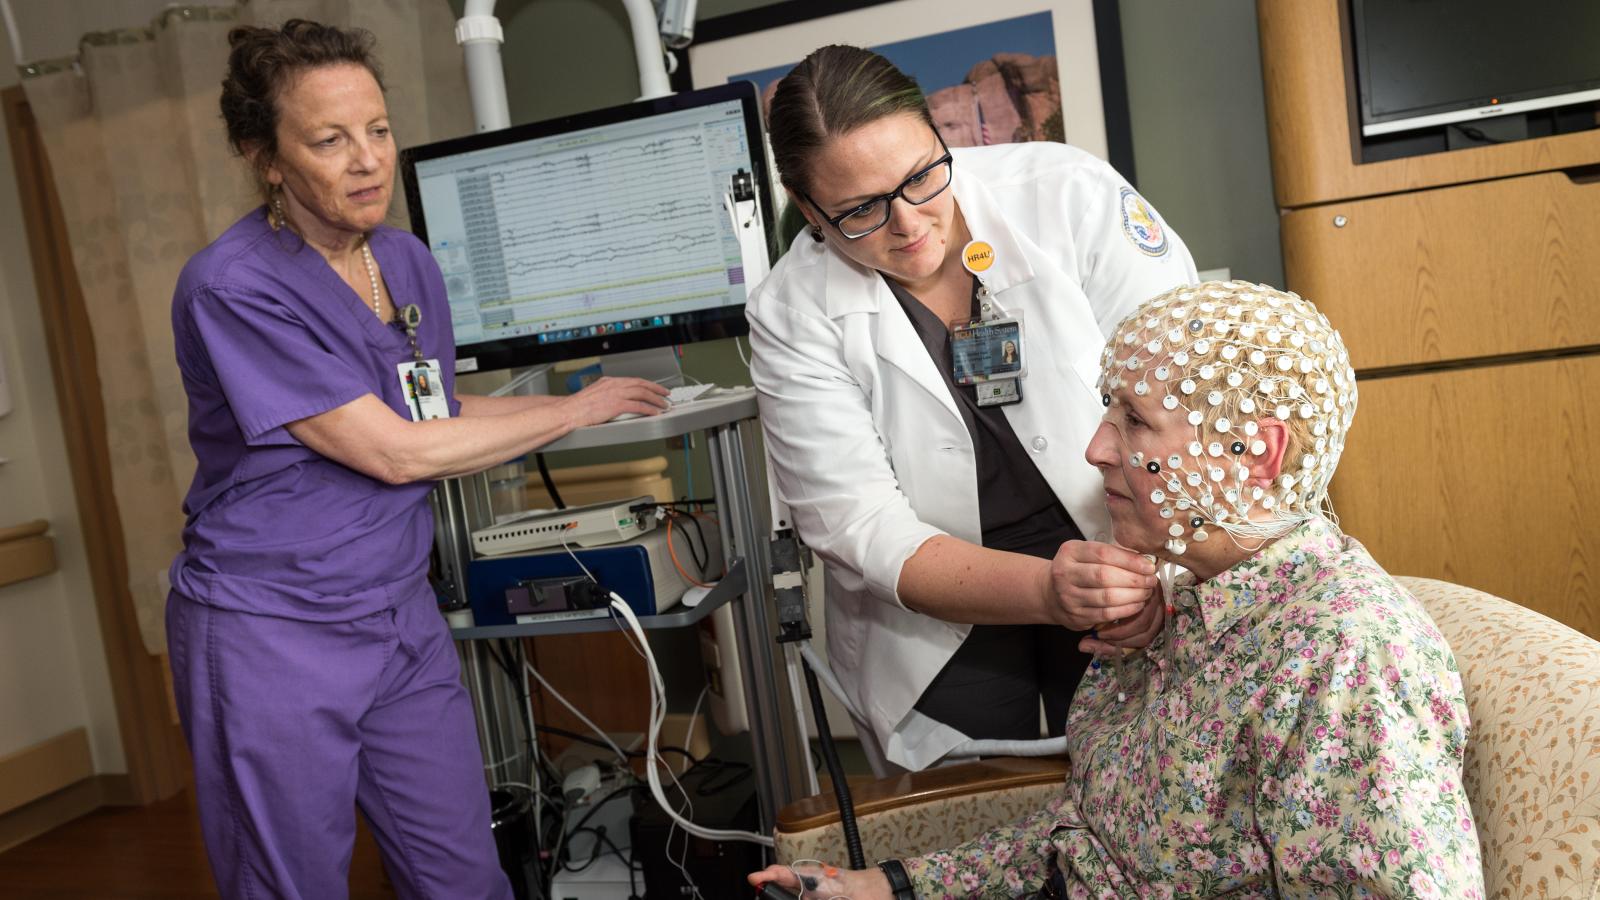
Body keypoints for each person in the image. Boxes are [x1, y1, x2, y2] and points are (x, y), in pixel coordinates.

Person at [750, 281, 1483, 898]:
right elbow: (1094, 840)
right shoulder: (1178, 607)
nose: (1097, 447)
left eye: (1134, 420)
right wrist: (888, 886)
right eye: (1109, 410)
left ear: (1259, 453)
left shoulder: (1344, 660)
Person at [165, 20, 668, 899]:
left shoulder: (404, 261)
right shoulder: (233, 286)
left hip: (399, 620)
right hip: (272, 630)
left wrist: (565, 405)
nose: (367, 160)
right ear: (266, 157)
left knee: (463, 877)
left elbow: (425, 407)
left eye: (379, 130)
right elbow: (396, 453)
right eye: (329, 140)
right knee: (293, 885)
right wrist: (570, 413)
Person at [747, 45, 1199, 771]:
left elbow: (1184, 397)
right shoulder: (791, 312)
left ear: (938, 134)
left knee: (1145, 802)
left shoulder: (1066, 196)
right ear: (810, 212)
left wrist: (1152, 575)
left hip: (1126, 543)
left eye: (922, 176)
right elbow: (860, 522)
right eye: (861, 210)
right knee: (980, 830)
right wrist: (1050, 590)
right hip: (941, 589)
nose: (909, 224)